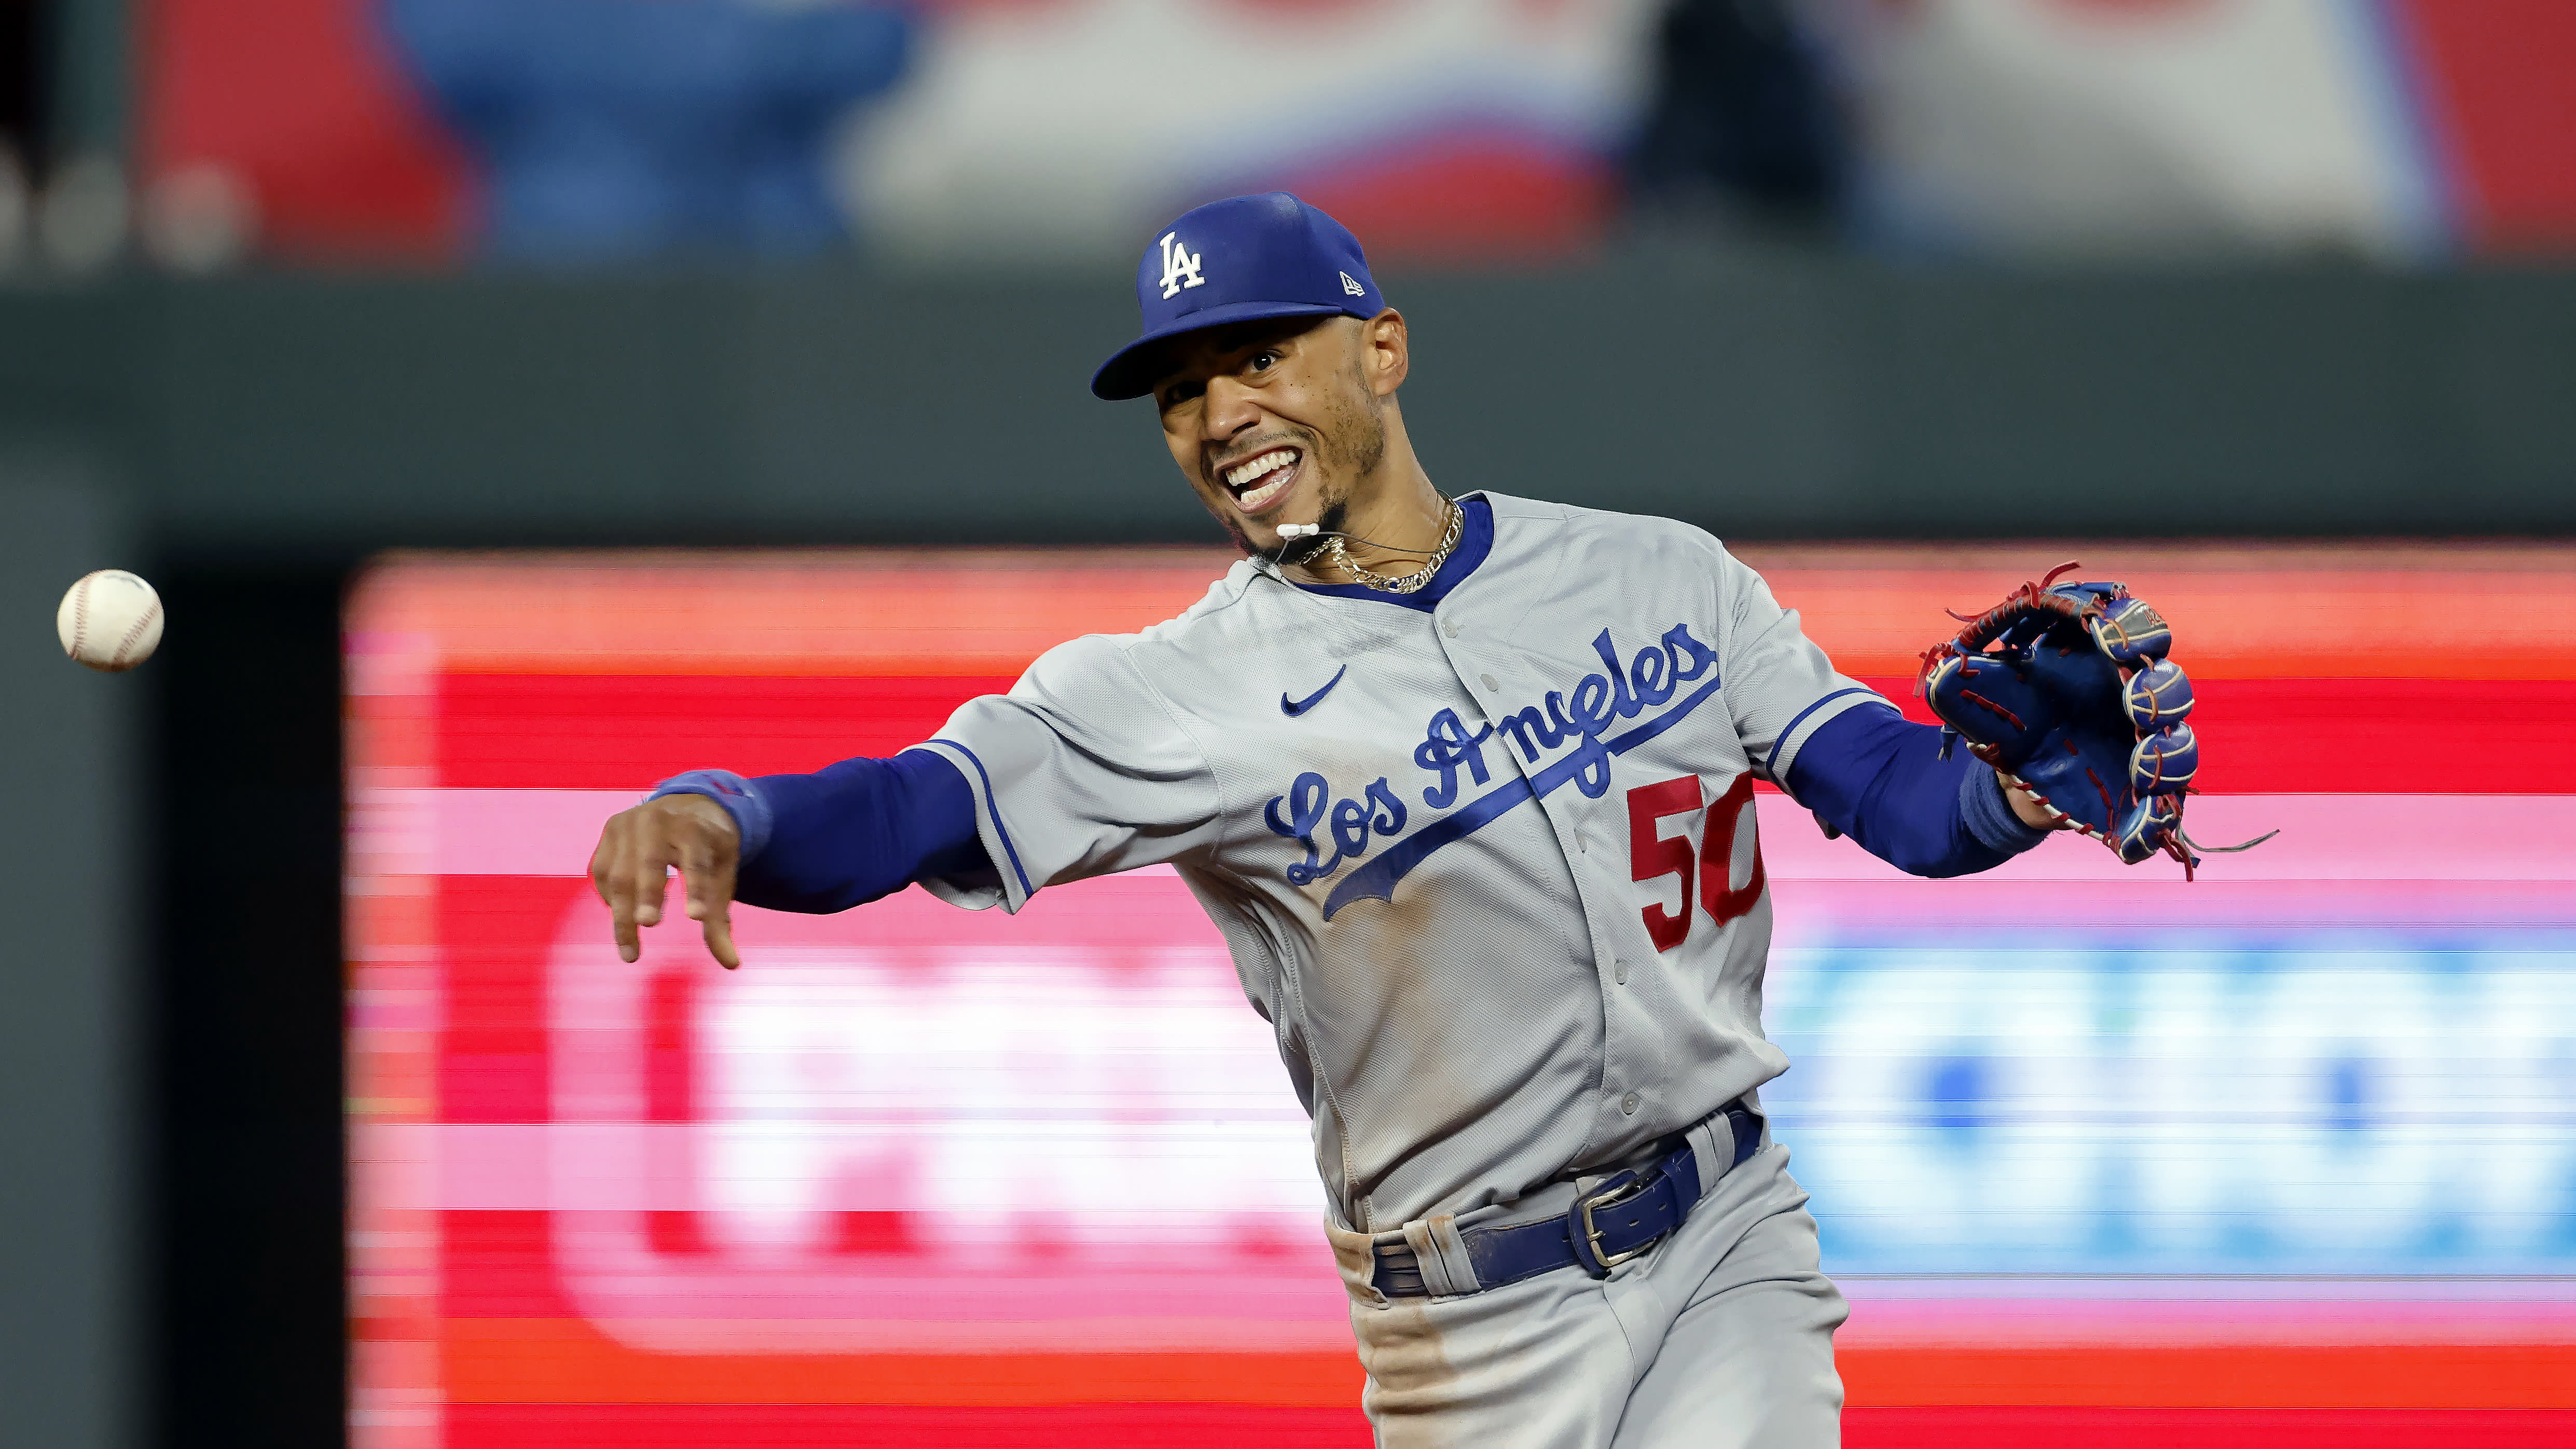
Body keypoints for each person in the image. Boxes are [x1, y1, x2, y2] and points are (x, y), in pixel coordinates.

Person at [588, 191, 2061, 1448]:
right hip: (1476, 1328)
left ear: (1382, 347)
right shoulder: (1170, 691)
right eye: (1182, 390)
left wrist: (2013, 787)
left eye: (1260, 355)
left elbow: (1904, 799)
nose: (1222, 414)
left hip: (1726, 1231)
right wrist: (728, 813)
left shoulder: (1661, 575)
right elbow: (918, 803)